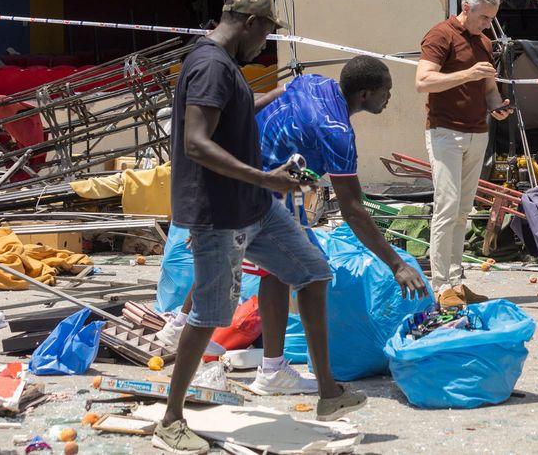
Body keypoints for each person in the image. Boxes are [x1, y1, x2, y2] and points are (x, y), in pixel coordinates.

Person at [154, 0, 363, 455]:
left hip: (254, 204)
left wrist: (271, 97)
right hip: (220, 211)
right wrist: (263, 176)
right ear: (250, 23)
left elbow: (231, 116)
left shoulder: (225, 65)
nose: (266, 43)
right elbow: (195, 142)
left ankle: (329, 394)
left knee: (312, 272)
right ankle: (171, 420)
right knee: (210, 314)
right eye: (267, 31)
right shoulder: (210, 66)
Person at [157, 56, 428, 398]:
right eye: (385, 91)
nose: (389, 97)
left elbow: (270, 95)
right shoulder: (338, 134)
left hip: (245, 172)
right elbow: (354, 210)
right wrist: (397, 264)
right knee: (281, 271)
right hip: (261, 188)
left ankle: (266, 367)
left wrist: (232, 128)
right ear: (364, 94)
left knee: (268, 268)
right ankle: (197, 361)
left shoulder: (315, 83)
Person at [415, 0, 512, 306]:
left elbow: (489, 90)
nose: (488, 24)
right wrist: (467, 74)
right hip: (445, 131)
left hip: (476, 132)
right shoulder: (440, 35)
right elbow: (423, 81)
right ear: (466, 8)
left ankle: (456, 281)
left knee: (462, 210)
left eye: (491, 19)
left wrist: (498, 107)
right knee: (446, 206)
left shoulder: (484, 42)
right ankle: (441, 285)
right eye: (484, 17)